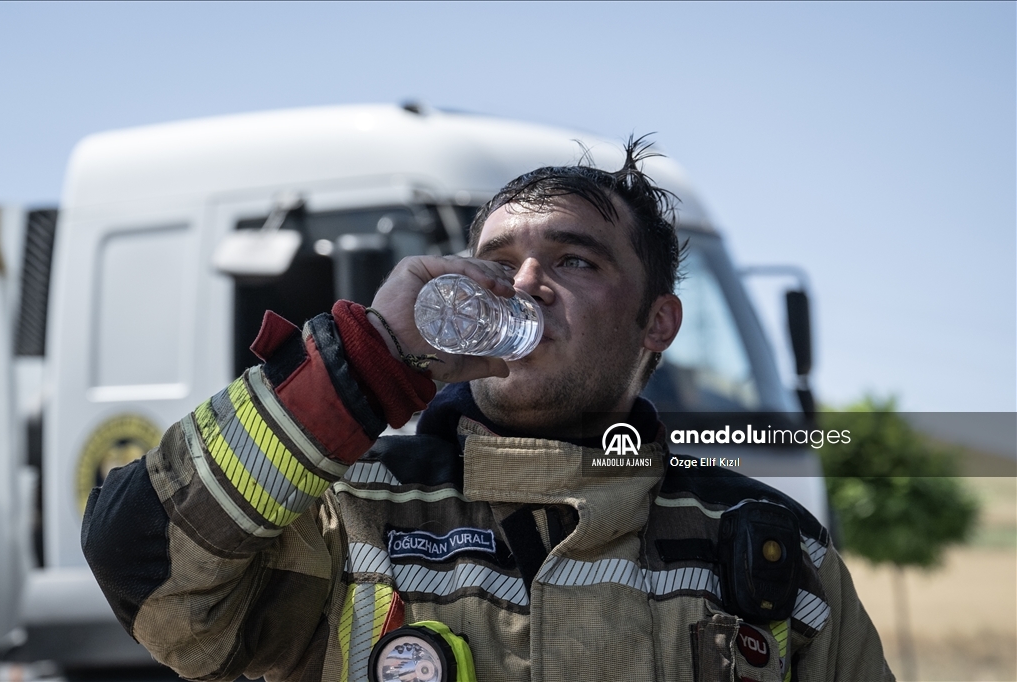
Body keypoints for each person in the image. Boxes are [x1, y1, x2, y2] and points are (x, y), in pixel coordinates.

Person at [82, 140, 894, 682]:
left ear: (657, 323)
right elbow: (136, 559)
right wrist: (366, 359)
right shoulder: (351, 515)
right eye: (498, 262)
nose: (526, 285)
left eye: (573, 259)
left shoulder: (766, 546)